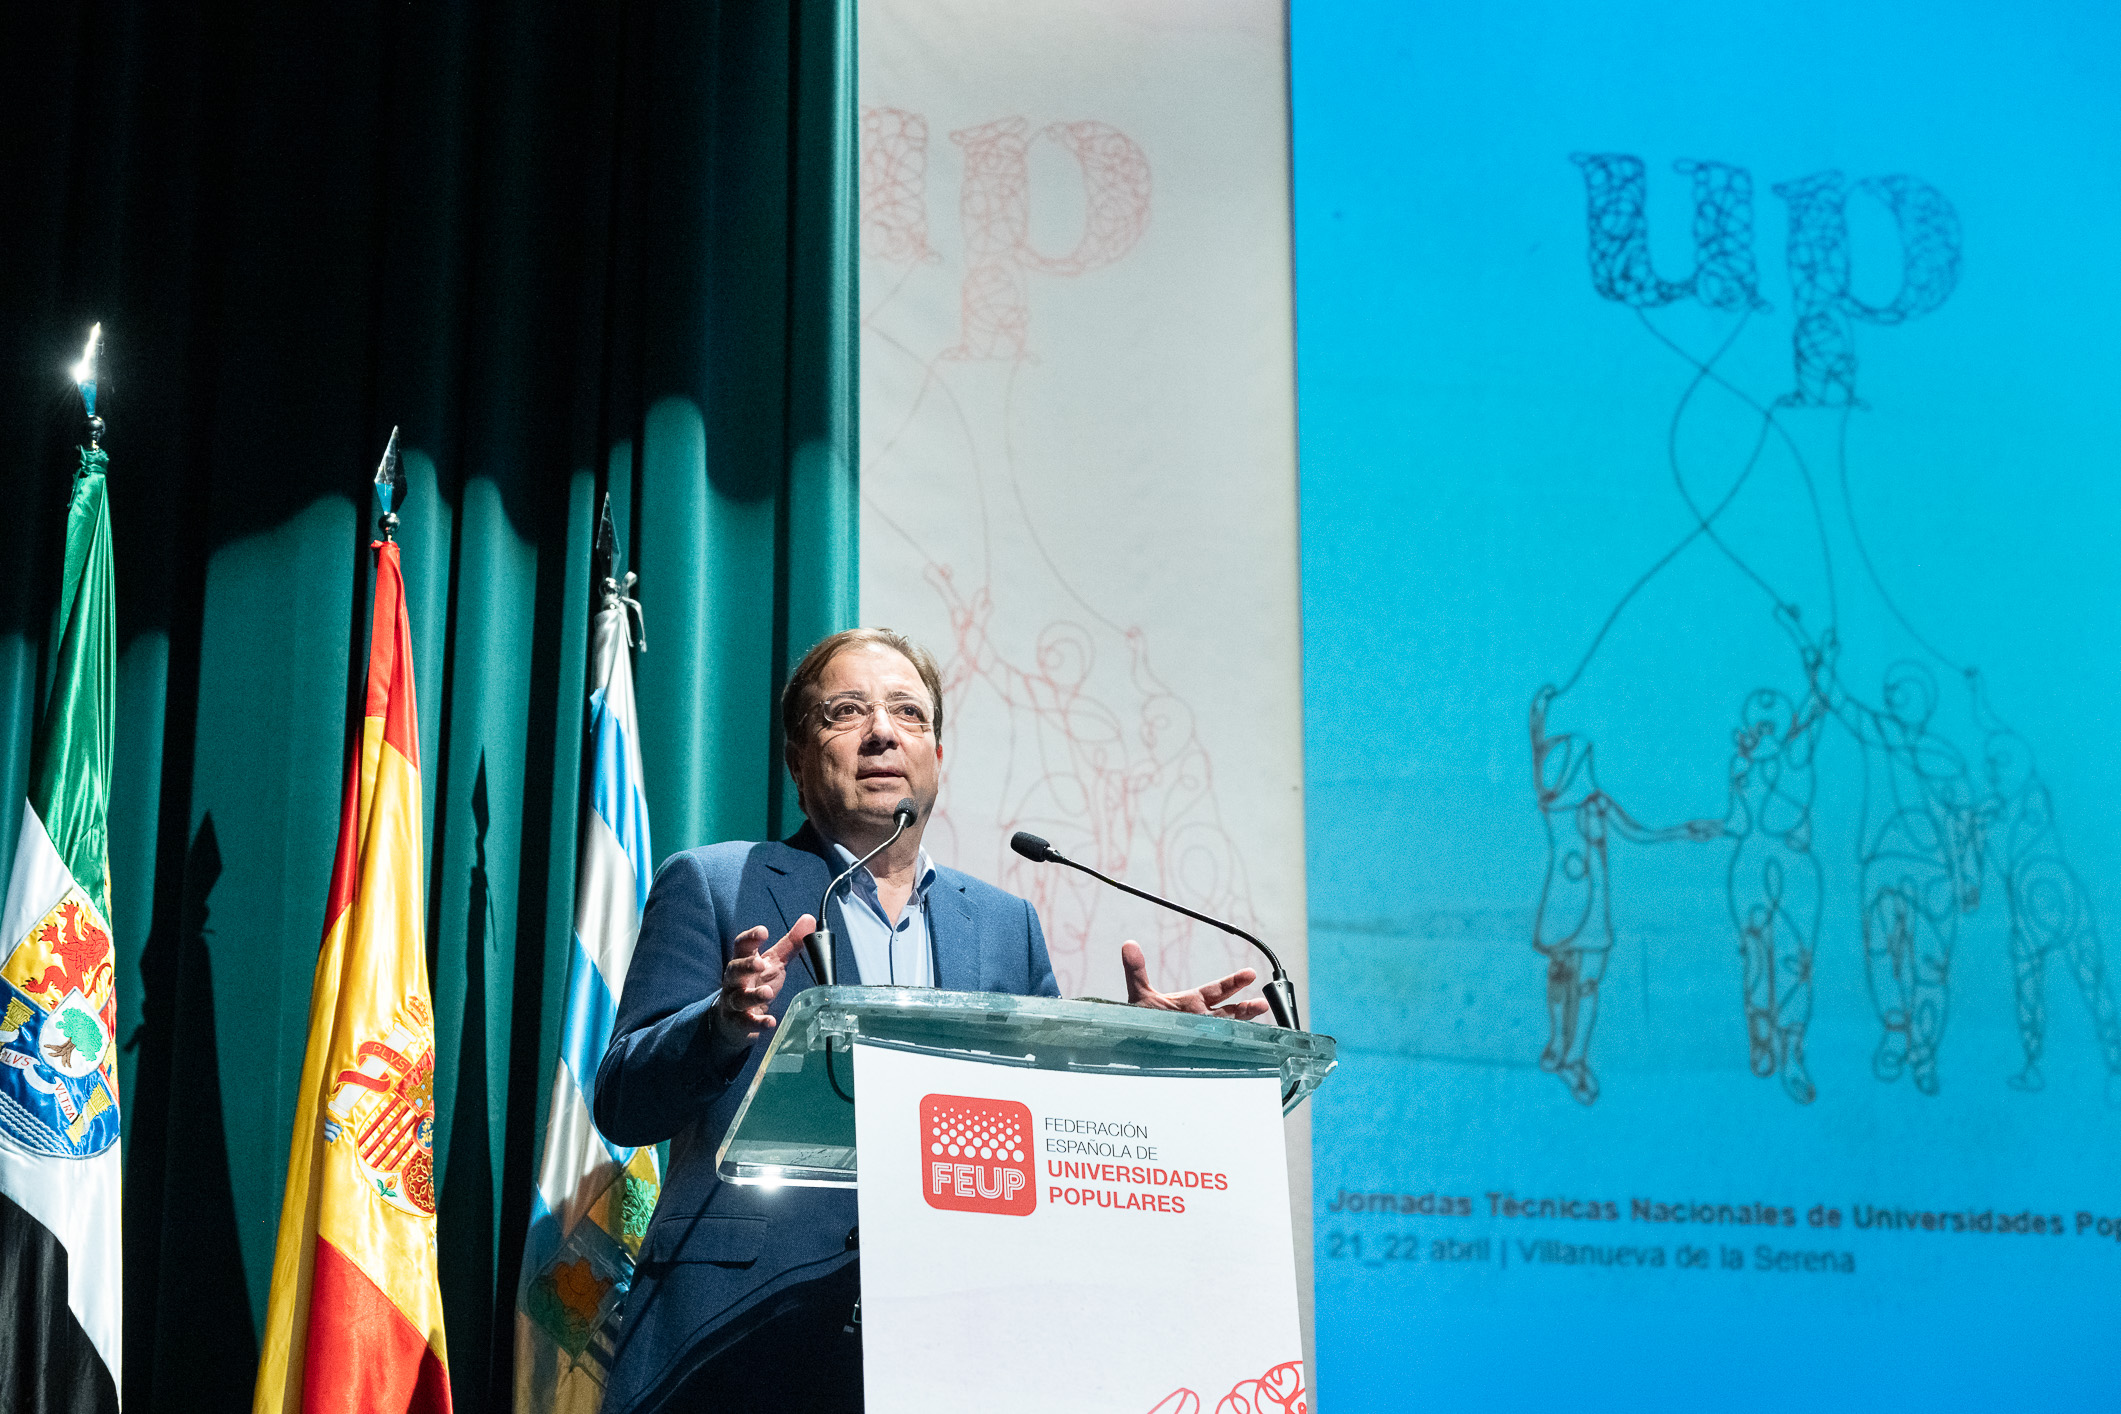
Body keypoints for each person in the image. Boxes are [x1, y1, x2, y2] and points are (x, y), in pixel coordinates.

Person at [592, 627, 1267, 1414]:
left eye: (908, 713)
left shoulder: (1002, 923)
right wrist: (718, 1025)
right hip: (732, 1343)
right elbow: (622, 1101)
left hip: (950, 1340)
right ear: (796, 758)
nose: (882, 730)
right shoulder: (715, 884)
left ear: (937, 756)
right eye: (846, 710)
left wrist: (1138, 1053)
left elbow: (1046, 1135)